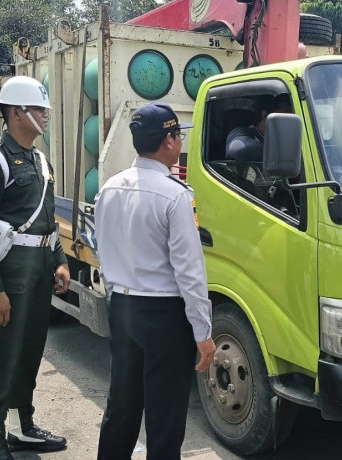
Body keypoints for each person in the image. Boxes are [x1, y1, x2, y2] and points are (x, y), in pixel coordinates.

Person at [95, 102, 216, 460]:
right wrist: (203, 332)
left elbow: (103, 247)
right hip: (164, 315)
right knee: (164, 415)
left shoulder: (110, 188)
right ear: (168, 141)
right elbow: (189, 272)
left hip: (123, 308)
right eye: (178, 135)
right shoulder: (175, 195)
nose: (179, 141)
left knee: (122, 406)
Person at [0, 75, 70, 460]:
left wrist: (59, 261)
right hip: (10, 270)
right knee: (0, 352)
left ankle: (22, 427)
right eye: (38, 109)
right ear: (15, 112)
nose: (44, 115)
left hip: (41, 265)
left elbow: (48, 217)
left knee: (29, 349)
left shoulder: (40, 160)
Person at [225, 94, 292, 161]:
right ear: (265, 115)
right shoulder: (241, 133)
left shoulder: (290, 137)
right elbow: (237, 147)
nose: (289, 122)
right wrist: (286, 154)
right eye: (284, 117)